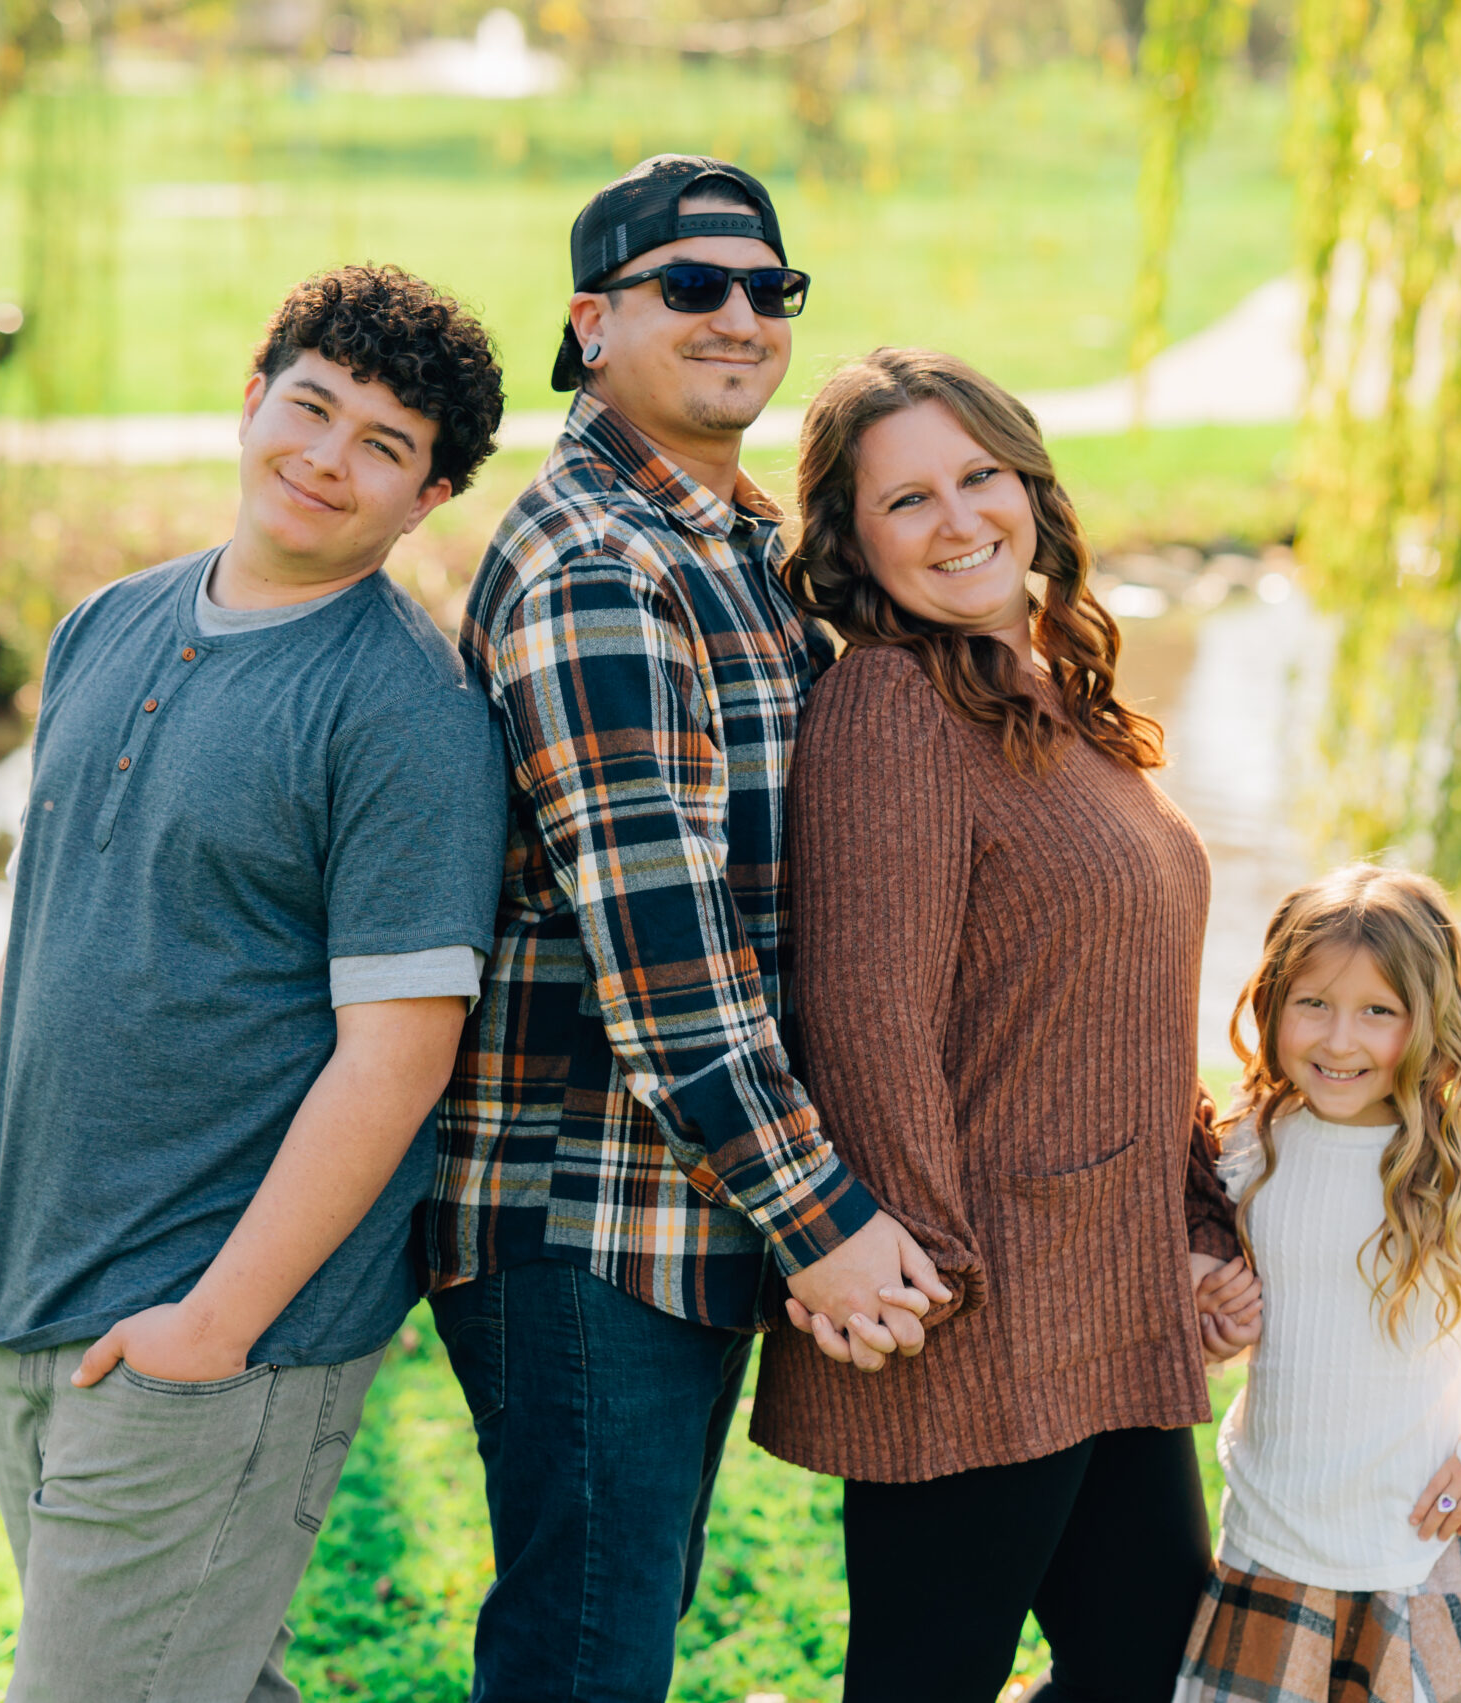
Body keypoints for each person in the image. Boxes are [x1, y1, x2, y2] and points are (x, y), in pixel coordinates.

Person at [426, 158, 952, 1703]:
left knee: (617, 1627)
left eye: (770, 289)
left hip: (681, 1205)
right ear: (593, 323)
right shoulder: (601, 562)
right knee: (585, 1654)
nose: (741, 316)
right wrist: (828, 1222)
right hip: (585, 1223)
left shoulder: (739, 543)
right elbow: (667, 968)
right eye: (693, 286)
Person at [0, 263, 510, 1702]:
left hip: (217, 1323)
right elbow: (43, 930)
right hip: (32, 1280)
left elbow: (395, 1058)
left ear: (428, 496)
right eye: (311, 408)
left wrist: (212, 1327)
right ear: (252, 398)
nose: (325, 458)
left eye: (382, 445)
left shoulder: (406, 711)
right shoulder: (105, 624)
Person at [746, 346, 1262, 1703]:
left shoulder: (1046, 694)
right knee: (929, 1678)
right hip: (974, 1316)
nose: (961, 516)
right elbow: (866, 1029)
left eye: (981, 475)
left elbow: (1122, 1013)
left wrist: (1200, 1229)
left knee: (1148, 1663)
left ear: (1032, 487)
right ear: (853, 542)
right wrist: (934, 1284)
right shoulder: (891, 707)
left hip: (1105, 1289)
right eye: (908, 499)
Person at [1179, 864, 1461, 1703]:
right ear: (1272, 1002)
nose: (1339, 1039)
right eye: (1312, 1002)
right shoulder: (1251, 1148)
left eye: (1377, 1011)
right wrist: (1217, 1332)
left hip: (1417, 1554)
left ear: (1431, 1019)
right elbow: (1271, 1330)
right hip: (1269, 1546)